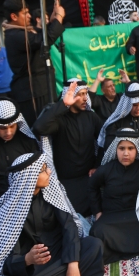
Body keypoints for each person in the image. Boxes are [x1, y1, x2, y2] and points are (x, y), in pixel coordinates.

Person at [0, 153, 104, 276]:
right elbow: (6, 260)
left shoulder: (51, 191)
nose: (49, 172)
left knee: (94, 245)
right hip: (33, 265)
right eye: (43, 170)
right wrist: (27, 259)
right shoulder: (8, 210)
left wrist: (73, 263)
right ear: (29, 177)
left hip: (61, 252)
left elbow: (69, 226)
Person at [89, 129, 139, 263]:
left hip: (136, 215)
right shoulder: (106, 169)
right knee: (97, 231)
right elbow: (92, 186)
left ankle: (115, 250)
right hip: (112, 217)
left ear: (137, 150)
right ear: (116, 149)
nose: (126, 153)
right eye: (122, 148)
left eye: (130, 148)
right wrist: (97, 212)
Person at [32, 80, 103, 216]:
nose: (85, 98)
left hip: (89, 178)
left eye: (85, 93)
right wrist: (63, 104)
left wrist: (97, 165)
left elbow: (104, 141)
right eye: (80, 94)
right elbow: (38, 128)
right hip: (66, 182)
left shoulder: (91, 117)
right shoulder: (60, 120)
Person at [4, 0, 65, 126]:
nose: (29, 16)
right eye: (25, 13)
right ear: (14, 16)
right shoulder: (14, 35)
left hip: (42, 87)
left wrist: (52, 21)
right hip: (33, 91)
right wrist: (59, 17)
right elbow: (43, 41)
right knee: (42, 126)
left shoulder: (24, 31)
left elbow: (40, 35)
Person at [99, 81, 139, 152]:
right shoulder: (117, 121)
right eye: (135, 105)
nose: (138, 108)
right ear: (128, 104)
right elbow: (109, 145)